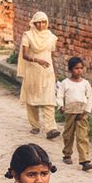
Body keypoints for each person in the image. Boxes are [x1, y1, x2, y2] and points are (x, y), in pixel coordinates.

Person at [17, 11, 60, 140]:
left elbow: (52, 56)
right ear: (33, 23)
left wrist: (55, 72)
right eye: (38, 22)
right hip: (32, 71)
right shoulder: (28, 35)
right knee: (31, 100)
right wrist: (37, 60)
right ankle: (35, 125)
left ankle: (51, 129)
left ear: (47, 23)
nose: (41, 25)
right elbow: (24, 55)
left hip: (47, 72)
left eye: (43, 22)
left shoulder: (51, 37)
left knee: (49, 101)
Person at [56, 56, 92, 171]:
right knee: (68, 134)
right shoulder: (65, 83)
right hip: (70, 111)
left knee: (83, 136)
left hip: (82, 112)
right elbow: (59, 96)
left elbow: (89, 98)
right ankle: (67, 154)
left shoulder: (85, 83)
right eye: (76, 68)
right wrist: (61, 106)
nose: (79, 71)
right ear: (70, 70)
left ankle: (85, 160)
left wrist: (86, 110)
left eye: (81, 68)